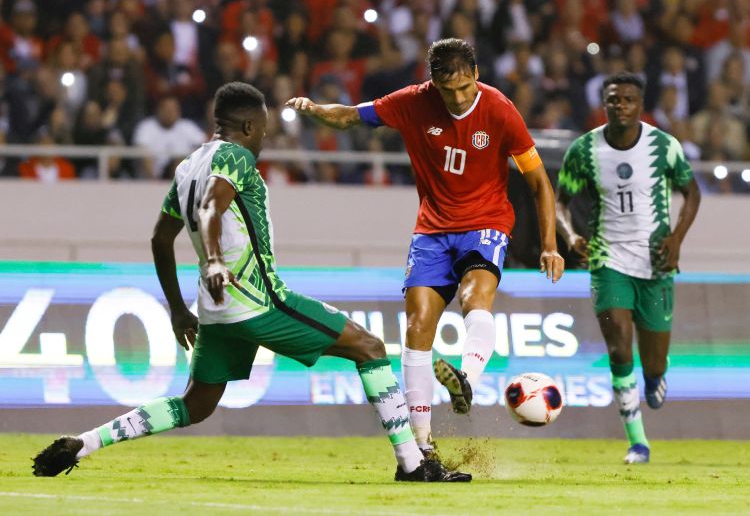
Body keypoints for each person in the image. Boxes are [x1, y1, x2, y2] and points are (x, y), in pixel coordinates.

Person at [31, 82, 469, 483]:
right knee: (369, 348)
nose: (264, 139)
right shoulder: (235, 157)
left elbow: (160, 240)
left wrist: (179, 309)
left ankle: (84, 444)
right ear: (246, 125)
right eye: (262, 130)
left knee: (194, 405)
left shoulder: (188, 166)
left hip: (214, 313)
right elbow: (209, 210)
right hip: (258, 302)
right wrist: (216, 263)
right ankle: (413, 463)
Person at [287, 38, 564, 458]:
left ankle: (465, 377)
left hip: (485, 223)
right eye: (447, 89)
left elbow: (539, 182)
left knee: (475, 296)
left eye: (464, 88)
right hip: (432, 231)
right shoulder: (413, 102)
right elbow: (351, 117)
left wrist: (549, 245)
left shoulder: (500, 110)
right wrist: (315, 109)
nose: (457, 98)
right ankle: (422, 447)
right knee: (416, 328)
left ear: (476, 76)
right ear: (432, 82)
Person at [555, 72, 701, 464]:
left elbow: (691, 191)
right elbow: (560, 202)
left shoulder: (663, 146)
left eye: (628, 100)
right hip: (608, 259)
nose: (620, 106)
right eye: (613, 100)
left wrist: (676, 239)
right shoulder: (584, 150)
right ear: (604, 103)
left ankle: (655, 375)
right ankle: (638, 441)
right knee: (619, 343)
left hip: (655, 263)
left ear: (641, 105)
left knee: (652, 361)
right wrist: (570, 237)